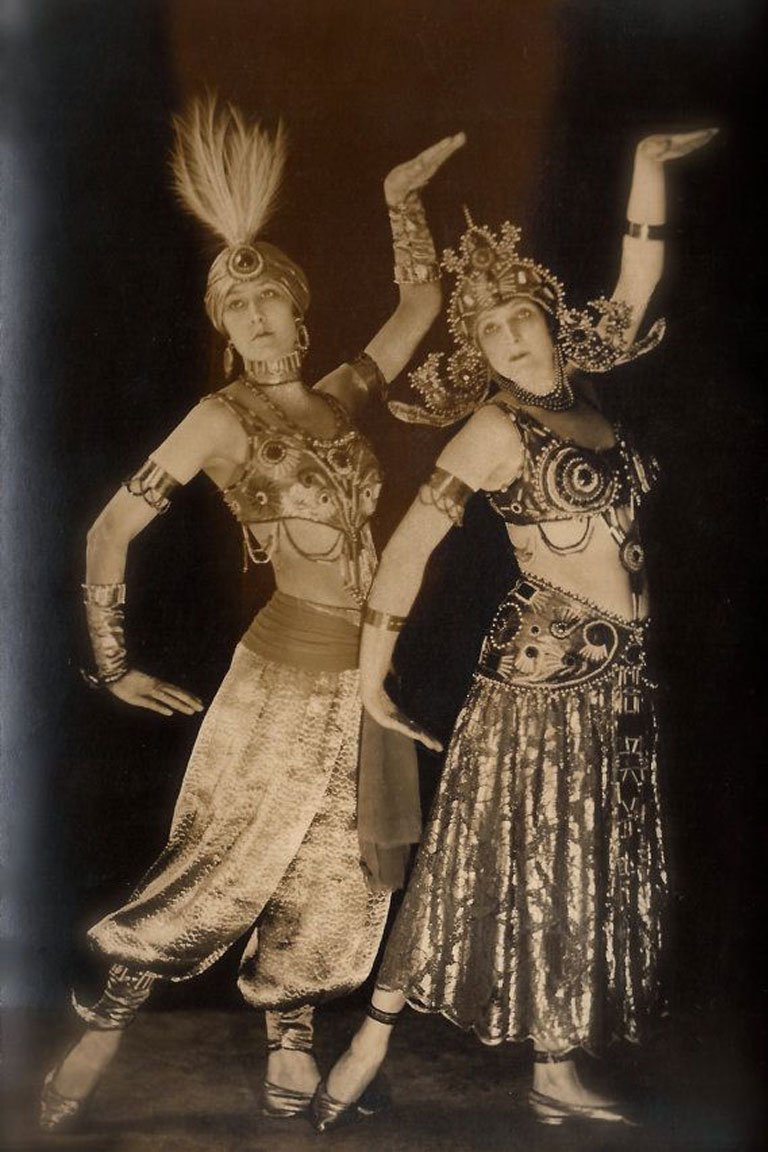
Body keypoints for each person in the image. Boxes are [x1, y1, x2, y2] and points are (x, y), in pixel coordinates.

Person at [39, 97, 465, 1132]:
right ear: (222, 328)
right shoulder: (218, 420)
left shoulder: (340, 396)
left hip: (360, 675)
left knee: (337, 870)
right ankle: (97, 1031)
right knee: (222, 868)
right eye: (239, 309)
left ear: (298, 309)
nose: (259, 318)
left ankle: (292, 1035)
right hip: (278, 674)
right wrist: (109, 664)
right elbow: (106, 534)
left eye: (271, 300)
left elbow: (419, 307)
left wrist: (400, 202)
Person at [312, 127, 717, 1131]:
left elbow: (638, 279)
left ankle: (554, 1073)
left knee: (577, 865)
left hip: (615, 676)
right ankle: (361, 1054)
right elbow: (407, 551)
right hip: (536, 678)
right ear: (478, 351)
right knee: (472, 861)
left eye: (521, 321)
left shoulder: (579, 393)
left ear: (545, 318)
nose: (513, 341)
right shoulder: (493, 430)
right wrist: (372, 677)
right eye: (490, 335)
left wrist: (649, 168)